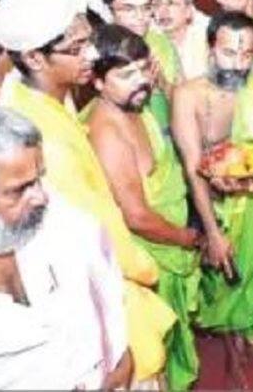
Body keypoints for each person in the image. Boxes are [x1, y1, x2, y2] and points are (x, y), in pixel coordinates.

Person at [0, 0, 175, 384]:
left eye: (89, 38)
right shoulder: (45, 141)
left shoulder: (41, 92)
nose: (93, 54)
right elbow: (101, 229)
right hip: (96, 294)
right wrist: (150, 270)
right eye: (77, 48)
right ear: (35, 58)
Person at [171, 11, 253, 386]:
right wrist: (212, 232)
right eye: (229, 53)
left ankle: (251, 342)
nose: (238, 64)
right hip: (213, 208)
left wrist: (249, 181)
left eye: (246, 55)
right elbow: (195, 167)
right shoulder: (188, 95)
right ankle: (232, 355)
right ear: (211, 48)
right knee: (225, 285)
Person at [0, 104, 131, 390]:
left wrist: (120, 356)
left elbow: (106, 289)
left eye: (38, 179)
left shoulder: (59, 220)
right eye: (18, 189)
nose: (40, 196)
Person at [86, 24, 203, 390]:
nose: (140, 81)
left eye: (142, 69)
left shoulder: (136, 106)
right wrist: (188, 238)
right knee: (159, 354)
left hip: (171, 243)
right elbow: (136, 217)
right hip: (154, 258)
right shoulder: (108, 130)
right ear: (98, 82)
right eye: (125, 74)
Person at [102, 0, 181, 132]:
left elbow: (184, 100)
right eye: (129, 9)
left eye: (146, 7)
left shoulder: (161, 44)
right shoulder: (100, 51)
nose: (140, 17)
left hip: (166, 146)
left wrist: (161, 82)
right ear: (108, 10)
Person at [153, 0, 210, 80]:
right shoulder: (149, 40)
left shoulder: (206, 40)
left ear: (188, 10)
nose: (162, 11)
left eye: (171, 3)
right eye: (156, 4)